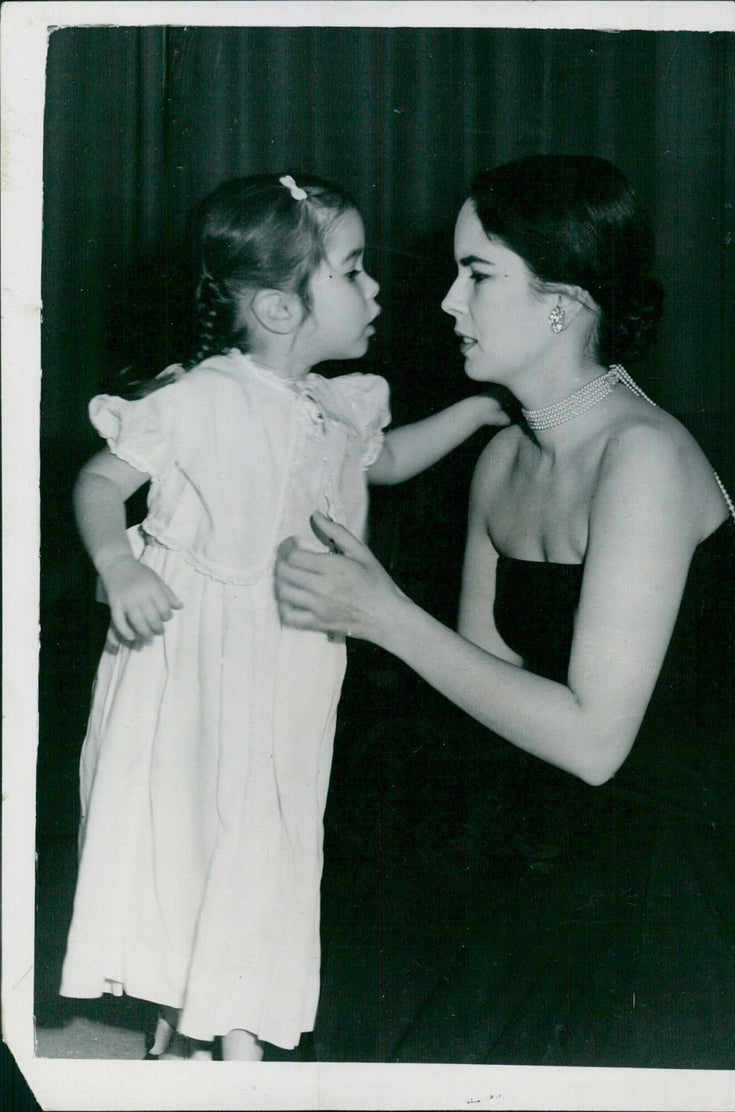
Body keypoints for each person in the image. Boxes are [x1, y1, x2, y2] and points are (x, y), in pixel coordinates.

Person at [274, 156, 735, 1068]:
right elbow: (486, 674)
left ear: (565, 299)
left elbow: (595, 742)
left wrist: (385, 616)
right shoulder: (505, 459)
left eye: (476, 275)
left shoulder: (643, 458)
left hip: (675, 846)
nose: (445, 304)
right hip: (558, 817)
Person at [58, 171, 508, 1061]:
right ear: (275, 309)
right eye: (352, 270)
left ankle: (225, 1024)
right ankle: (213, 1035)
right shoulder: (201, 397)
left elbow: (378, 464)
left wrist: (477, 410)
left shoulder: (339, 403)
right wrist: (116, 564)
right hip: (190, 667)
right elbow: (101, 482)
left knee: (269, 840)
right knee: (194, 838)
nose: (376, 288)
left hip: (291, 663)